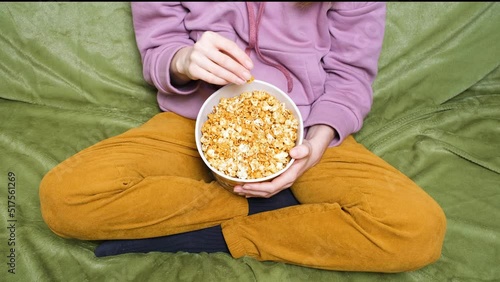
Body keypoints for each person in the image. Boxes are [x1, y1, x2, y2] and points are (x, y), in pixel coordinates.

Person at [39, 2, 446, 272]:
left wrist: (318, 142)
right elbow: (159, 50)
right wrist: (184, 59)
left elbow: (351, 78)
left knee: (418, 231)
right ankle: (272, 210)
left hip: (307, 128)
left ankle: (215, 233)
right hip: (191, 119)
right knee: (65, 200)